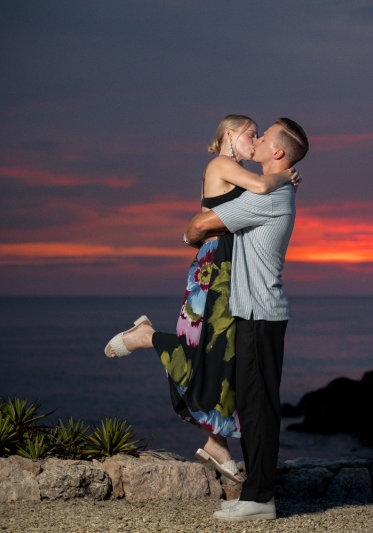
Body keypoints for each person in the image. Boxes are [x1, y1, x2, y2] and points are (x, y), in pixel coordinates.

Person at [104, 114, 299, 484]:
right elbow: (259, 190)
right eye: (250, 134)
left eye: (259, 136)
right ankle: (146, 336)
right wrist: (285, 176)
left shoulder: (238, 172)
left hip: (228, 269)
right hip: (214, 270)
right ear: (230, 135)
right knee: (203, 350)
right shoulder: (222, 164)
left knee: (221, 354)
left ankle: (216, 442)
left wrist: (283, 184)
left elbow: (251, 209)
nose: (254, 140)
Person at [184, 117, 308, 521]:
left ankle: (260, 499)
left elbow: (200, 225)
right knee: (253, 405)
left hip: (258, 314)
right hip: (253, 313)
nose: (255, 141)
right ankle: (256, 492)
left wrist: (189, 234)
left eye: (264, 137)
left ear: (276, 152)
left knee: (259, 407)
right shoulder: (272, 190)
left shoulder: (266, 197)